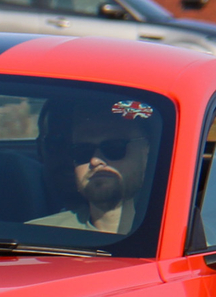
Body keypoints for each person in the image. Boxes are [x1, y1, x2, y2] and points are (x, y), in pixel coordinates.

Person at [31, 100, 155, 234]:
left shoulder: (175, 234)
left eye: (114, 148)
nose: (95, 160)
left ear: (147, 151)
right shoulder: (39, 235)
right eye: (83, 151)